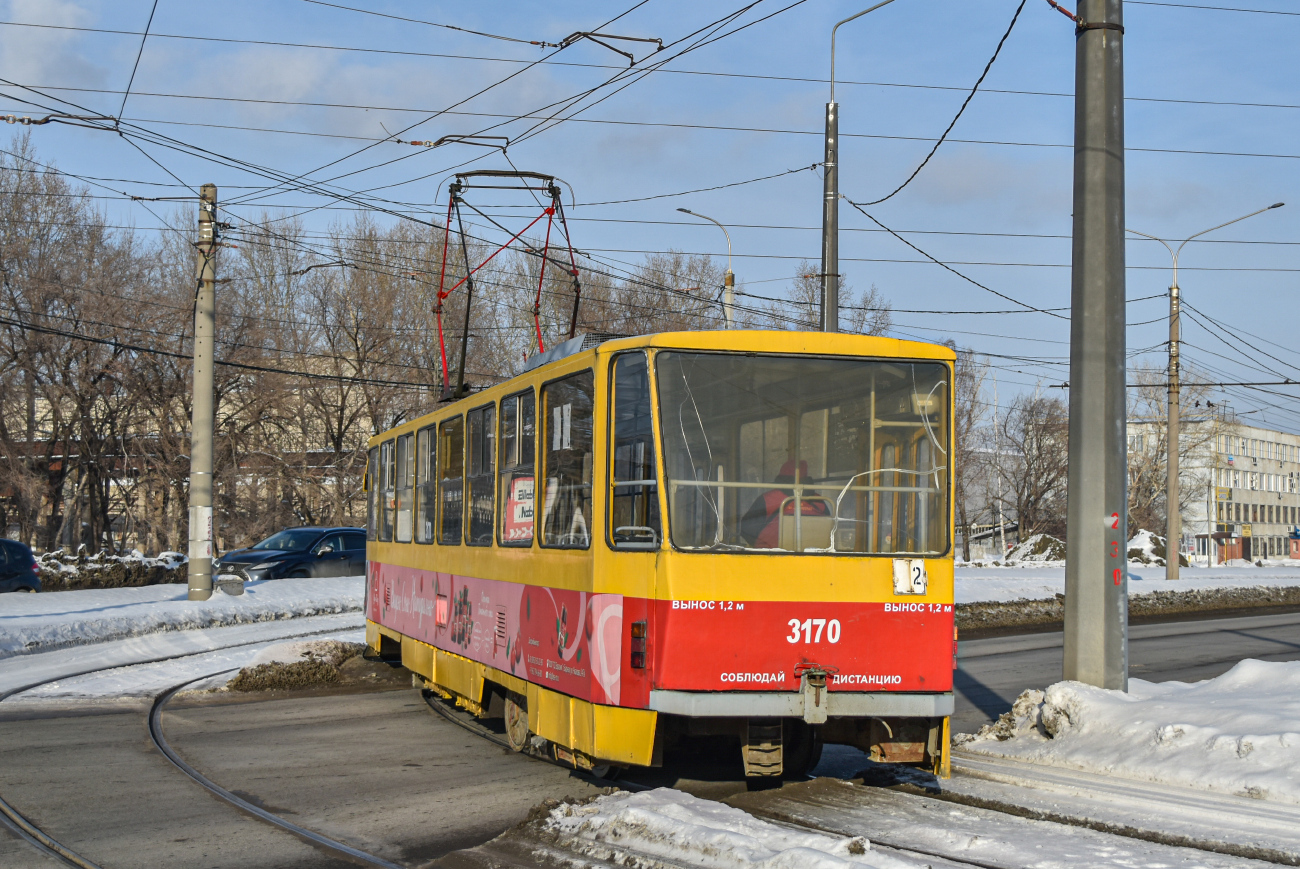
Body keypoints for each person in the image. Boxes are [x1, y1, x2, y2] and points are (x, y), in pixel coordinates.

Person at [740, 459, 830, 548]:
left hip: (770, 556)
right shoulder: (819, 500)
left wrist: (763, 547)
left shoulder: (767, 499)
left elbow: (746, 529)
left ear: (781, 475)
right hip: (814, 556)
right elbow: (830, 529)